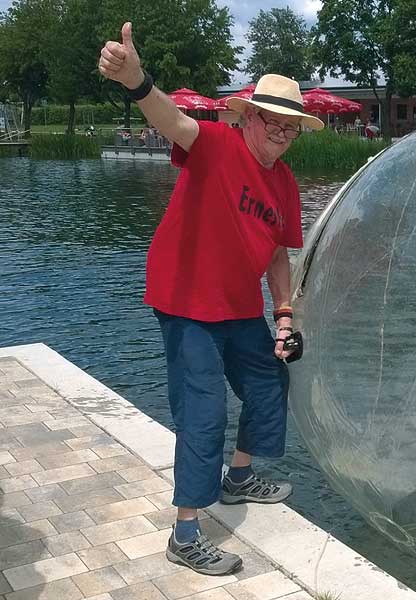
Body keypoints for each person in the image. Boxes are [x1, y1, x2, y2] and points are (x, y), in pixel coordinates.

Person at [98, 22, 323, 576]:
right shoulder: (216, 144)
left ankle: (239, 477)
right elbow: (170, 119)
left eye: (291, 126)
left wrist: (285, 316)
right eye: (272, 120)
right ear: (248, 116)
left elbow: (277, 254)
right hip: (185, 300)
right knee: (203, 412)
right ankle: (186, 532)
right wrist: (135, 80)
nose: (281, 132)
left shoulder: (287, 182)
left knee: (270, 381)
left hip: (238, 305)